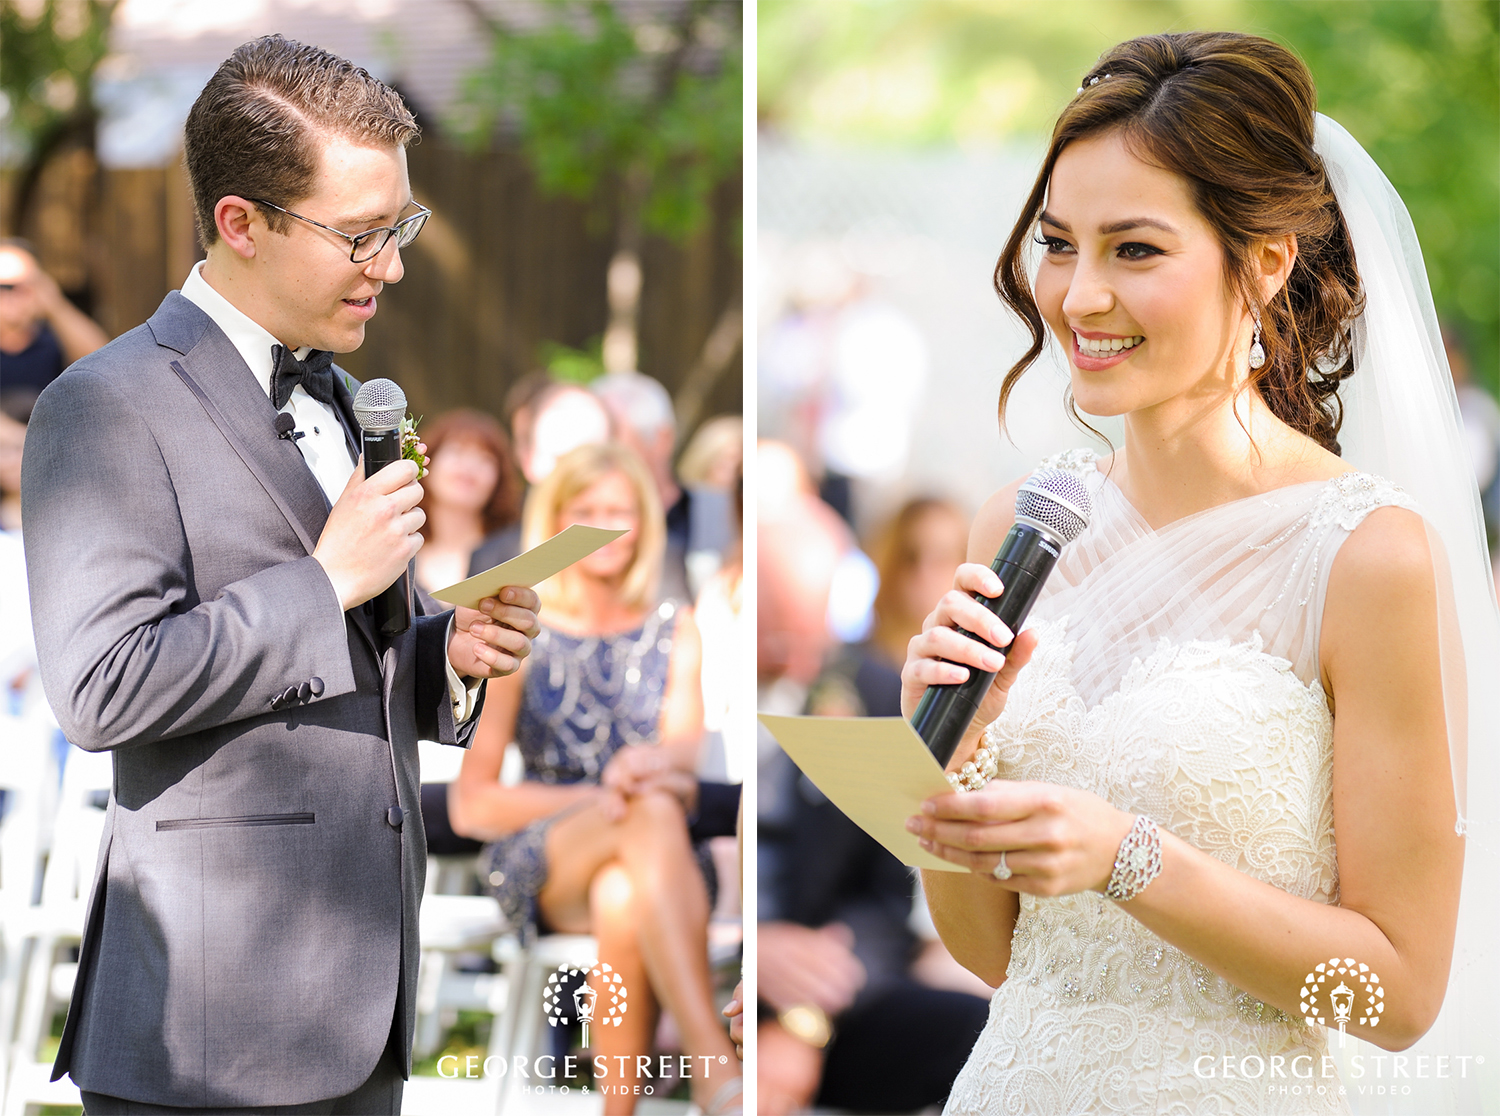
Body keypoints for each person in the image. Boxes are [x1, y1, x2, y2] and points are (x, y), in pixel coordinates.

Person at [899, 32, 1499, 1114]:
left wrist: (1129, 859)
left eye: (1135, 250)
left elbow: (1399, 995)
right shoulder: (1020, 524)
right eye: (1058, 243)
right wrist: (945, 751)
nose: (1079, 296)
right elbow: (995, 956)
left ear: (1264, 261)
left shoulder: (1365, 554)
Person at [21, 36, 540, 1114]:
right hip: (209, 1026)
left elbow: (362, 645)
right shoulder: (102, 407)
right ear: (240, 224)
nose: (391, 263)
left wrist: (451, 652)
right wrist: (324, 579)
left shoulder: (354, 403)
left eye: (400, 227)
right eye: (360, 235)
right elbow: (102, 686)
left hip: (366, 1008)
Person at [449, 441, 741, 1115]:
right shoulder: (519, 631)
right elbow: (472, 805)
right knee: (643, 818)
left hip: (658, 864)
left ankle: (620, 1108)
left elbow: (685, 773)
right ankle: (714, 1066)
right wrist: (598, 796)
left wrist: (652, 773)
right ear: (554, 522)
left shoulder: (679, 629)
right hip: (549, 860)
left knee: (623, 890)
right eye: (588, 510)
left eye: (623, 510)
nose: (608, 526)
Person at [593, 370, 735, 602]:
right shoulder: (577, 528)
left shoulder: (728, 516)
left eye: (612, 440)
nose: (597, 459)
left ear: (662, 440)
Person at [412, 408, 523, 595]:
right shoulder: (400, 550)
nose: (469, 466)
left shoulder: (517, 551)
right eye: (458, 451)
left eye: (485, 458)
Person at [0, 239, 110, 412]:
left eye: (22, 286)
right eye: (3, 287)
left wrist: (54, 304)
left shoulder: (57, 340)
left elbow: (104, 365)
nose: (11, 297)